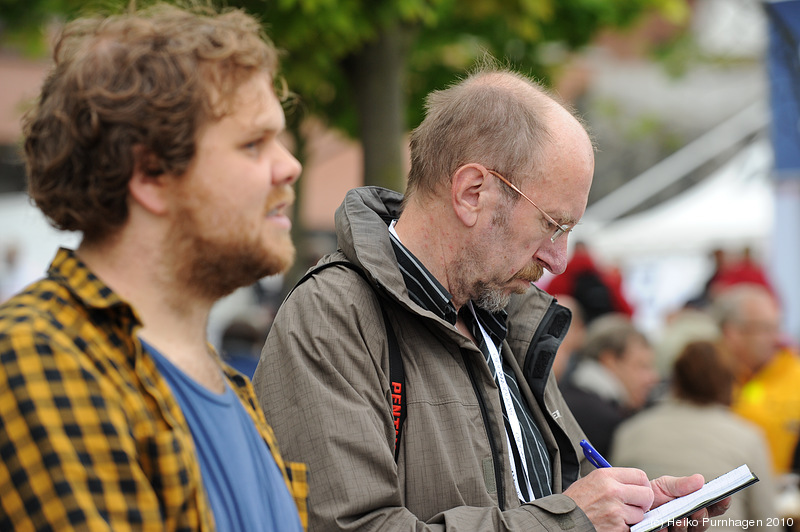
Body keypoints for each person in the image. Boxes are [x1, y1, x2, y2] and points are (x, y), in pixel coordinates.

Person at [253, 64, 728, 531]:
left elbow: (547, 498)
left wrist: (634, 511)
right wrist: (568, 523)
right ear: (472, 192)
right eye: (552, 224)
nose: (559, 259)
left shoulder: (502, 315)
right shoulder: (333, 317)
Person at [0, 4, 307, 530]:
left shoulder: (231, 388)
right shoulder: (38, 353)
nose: (290, 165)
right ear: (151, 174)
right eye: (253, 144)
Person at [611, 340, 779, 532]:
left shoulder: (630, 431)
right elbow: (766, 522)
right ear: (727, 380)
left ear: (677, 378)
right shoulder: (749, 437)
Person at [714, 284, 800, 476]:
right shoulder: (709, 376)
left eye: (777, 326)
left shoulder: (795, 374)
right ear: (732, 333)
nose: (776, 337)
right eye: (764, 328)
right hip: (722, 493)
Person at [560, 313, 659, 457]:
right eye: (642, 366)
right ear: (610, 360)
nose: (653, 377)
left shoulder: (565, 396)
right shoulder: (609, 423)